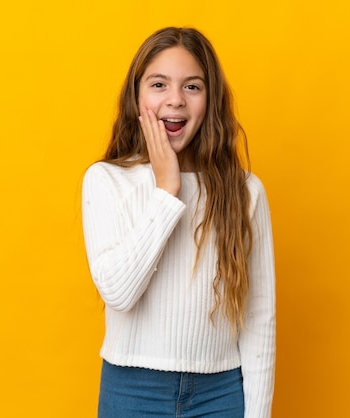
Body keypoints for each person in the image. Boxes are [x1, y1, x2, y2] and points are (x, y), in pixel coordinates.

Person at [81, 26, 276, 418]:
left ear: (211, 100)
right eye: (158, 84)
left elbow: (259, 318)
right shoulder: (106, 181)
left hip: (220, 393)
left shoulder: (246, 191)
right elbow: (118, 293)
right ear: (136, 96)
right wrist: (166, 189)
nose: (175, 100)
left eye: (192, 87)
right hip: (132, 391)